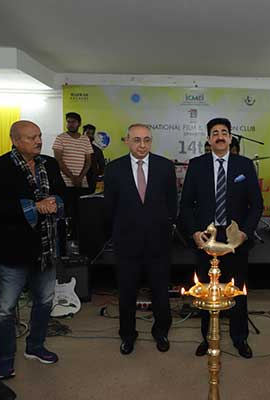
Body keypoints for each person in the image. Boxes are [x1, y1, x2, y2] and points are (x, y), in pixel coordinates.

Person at [0, 120, 66, 379]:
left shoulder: (49, 164)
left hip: (45, 248)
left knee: (44, 302)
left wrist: (56, 202)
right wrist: (34, 207)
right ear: (15, 141)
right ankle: (5, 357)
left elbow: (63, 194)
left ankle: (36, 346)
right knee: (4, 309)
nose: (38, 141)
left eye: (39, 136)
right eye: (31, 137)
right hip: (12, 250)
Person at [179, 117, 263, 358]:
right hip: (206, 238)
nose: (220, 136)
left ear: (230, 137)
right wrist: (194, 233)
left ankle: (240, 338)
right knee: (207, 290)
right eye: (215, 132)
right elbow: (186, 205)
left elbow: (256, 205)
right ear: (208, 139)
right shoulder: (197, 165)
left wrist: (245, 232)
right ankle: (207, 338)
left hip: (236, 239)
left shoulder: (244, 165)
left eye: (224, 132)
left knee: (236, 290)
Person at [104, 123, 177, 355]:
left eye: (147, 140)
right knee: (127, 293)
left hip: (159, 243)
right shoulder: (114, 169)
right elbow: (109, 207)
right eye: (137, 140)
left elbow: (172, 204)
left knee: (160, 292)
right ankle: (127, 335)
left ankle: (161, 332)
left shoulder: (165, 167)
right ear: (127, 140)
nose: (142, 145)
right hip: (126, 243)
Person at [52, 112, 93, 242]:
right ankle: (63, 241)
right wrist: (72, 177)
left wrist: (80, 177)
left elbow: (88, 161)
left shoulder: (85, 139)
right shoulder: (60, 138)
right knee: (64, 213)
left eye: (73, 122)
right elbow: (58, 160)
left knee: (80, 214)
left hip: (81, 183)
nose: (70, 124)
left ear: (79, 124)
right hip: (64, 183)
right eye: (68, 122)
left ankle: (78, 240)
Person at [83, 124, 106, 194]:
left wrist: (95, 176)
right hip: (75, 181)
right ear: (83, 134)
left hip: (91, 183)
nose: (90, 135)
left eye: (92, 134)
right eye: (88, 133)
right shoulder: (76, 148)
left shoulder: (97, 151)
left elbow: (102, 167)